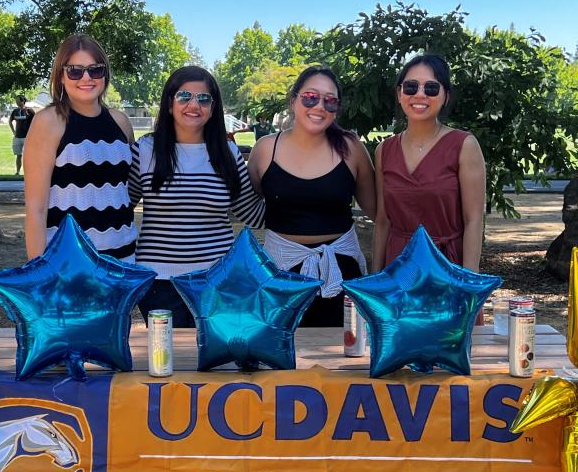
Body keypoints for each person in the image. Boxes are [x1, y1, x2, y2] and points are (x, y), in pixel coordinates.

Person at [128, 66, 265, 326]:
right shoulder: (145, 150)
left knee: (213, 363)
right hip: (159, 284)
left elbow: (253, 214)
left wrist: (288, 185)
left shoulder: (228, 153)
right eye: (184, 97)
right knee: (168, 362)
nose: (194, 105)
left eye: (203, 99)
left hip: (218, 281)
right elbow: (121, 208)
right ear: (169, 104)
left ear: (213, 108)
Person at [248, 65, 376, 326]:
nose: (319, 106)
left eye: (330, 101)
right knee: (282, 357)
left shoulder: (352, 149)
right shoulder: (265, 150)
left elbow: (380, 213)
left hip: (341, 270)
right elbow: (250, 204)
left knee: (345, 356)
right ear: (294, 100)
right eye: (310, 97)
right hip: (280, 271)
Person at [23, 34, 137, 262]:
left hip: (124, 260)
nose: (86, 78)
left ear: (105, 74)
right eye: (75, 70)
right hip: (70, 264)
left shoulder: (121, 122)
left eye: (95, 70)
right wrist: (39, 273)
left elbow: (125, 192)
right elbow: (36, 209)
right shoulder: (48, 122)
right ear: (61, 76)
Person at [372, 53, 486, 274]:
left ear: (445, 95)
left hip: (447, 268)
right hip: (398, 270)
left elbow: (473, 220)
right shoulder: (384, 150)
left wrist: (468, 284)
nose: (420, 94)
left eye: (431, 88)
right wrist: (376, 279)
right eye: (411, 87)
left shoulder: (464, 146)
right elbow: (383, 221)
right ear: (399, 93)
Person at [9, 95, 35, 176]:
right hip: (17, 137)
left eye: (18, 100)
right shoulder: (15, 111)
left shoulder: (29, 111)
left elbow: (36, 121)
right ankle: (17, 172)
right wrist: (13, 131)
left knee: (27, 156)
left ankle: (28, 172)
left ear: (23, 101)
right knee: (18, 155)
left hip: (26, 137)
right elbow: (10, 121)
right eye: (16, 101)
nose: (17, 102)